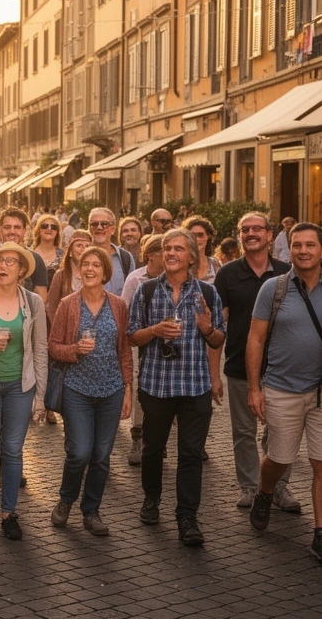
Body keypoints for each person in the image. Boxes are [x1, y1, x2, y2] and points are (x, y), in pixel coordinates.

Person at [245, 223, 322, 565]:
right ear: (289, 249)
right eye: (297, 245)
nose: (303, 251)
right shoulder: (274, 288)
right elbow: (255, 339)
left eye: (311, 245)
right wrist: (255, 388)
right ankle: (265, 493)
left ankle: (321, 534)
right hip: (281, 389)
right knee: (279, 459)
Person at [128, 228, 226, 547]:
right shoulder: (145, 292)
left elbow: (219, 339)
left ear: (191, 257)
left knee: (190, 454)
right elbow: (131, 336)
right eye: (166, 248)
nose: (170, 253)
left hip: (194, 387)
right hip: (156, 386)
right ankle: (152, 498)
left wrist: (207, 328)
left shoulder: (207, 294)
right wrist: (155, 330)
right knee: (153, 450)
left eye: (178, 249)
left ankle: (187, 517)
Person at [47, 246, 132, 535]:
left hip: (111, 390)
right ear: (79, 269)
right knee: (79, 453)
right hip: (77, 389)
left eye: (96, 265)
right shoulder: (67, 305)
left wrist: (128, 388)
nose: (90, 269)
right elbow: (54, 346)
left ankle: (91, 510)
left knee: (101, 456)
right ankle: (65, 500)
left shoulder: (119, 305)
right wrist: (74, 350)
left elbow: (124, 351)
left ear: (106, 272)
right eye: (85, 264)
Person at [214, 214, 296, 512]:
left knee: (280, 431)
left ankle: (278, 488)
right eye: (245, 230)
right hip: (238, 366)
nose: (251, 234)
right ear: (239, 237)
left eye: (257, 229)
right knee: (244, 432)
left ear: (269, 234)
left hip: (281, 368)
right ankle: (250, 487)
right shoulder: (227, 274)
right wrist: (213, 374)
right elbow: (218, 325)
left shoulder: (288, 272)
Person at [0, 242, 48, 539]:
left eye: (10, 261)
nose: (2, 265)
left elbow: (40, 349)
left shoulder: (33, 303)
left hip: (20, 385)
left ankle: (8, 512)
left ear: (22, 270)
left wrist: (40, 396)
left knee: (13, 450)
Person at [120, 234, 164, 465]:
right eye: (163, 251)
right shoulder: (135, 279)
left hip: (167, 342)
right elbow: (124, 311)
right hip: (140, 341)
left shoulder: (176, 277)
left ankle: (158, 438)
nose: (168, 255)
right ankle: (138, 437)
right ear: (150, 255)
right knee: (140, 388)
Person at [0, 209, 50, 303]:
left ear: (24, 230)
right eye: (7, 227)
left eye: (17, 227)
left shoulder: (35, 260)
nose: (12, 231)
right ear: (0, 230)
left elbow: (41, 300)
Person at [83, 208, 135, 297]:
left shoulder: (125, 258)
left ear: (113, 229)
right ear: (89, 229)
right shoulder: (81, 256)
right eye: (94, 224)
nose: (99, 227)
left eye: (104, 224)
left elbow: (132, 292)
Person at [47, 231, 92, 320]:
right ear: (70, 251)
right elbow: (51, 308)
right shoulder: (60, 276)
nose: (83, 249)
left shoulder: (93, 275)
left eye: (87, 246)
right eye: (79, 245)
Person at [183, 216, 222, 283]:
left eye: (200, 235)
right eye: (193, 235)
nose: (197, 239)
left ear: (208, 236)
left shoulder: (215, 264)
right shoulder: (181, 264)